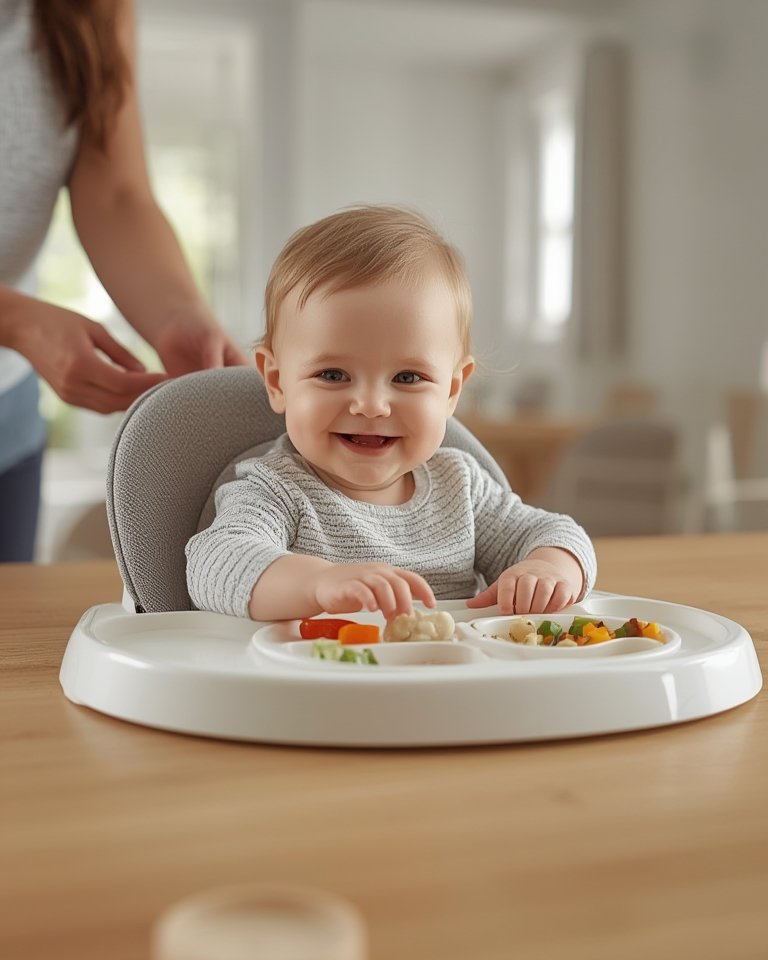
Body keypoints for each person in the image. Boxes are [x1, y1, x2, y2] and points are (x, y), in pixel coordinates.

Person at [186, 205, 597, 622]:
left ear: (452, 389)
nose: (371, 405)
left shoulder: (461, 488)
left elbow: (556, 532)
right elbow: (216, 563)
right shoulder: (277, 490)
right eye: (333, 374)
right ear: (277, 382)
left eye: (407, 377)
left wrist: (547, 568)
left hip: (454, 679)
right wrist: (318, 586)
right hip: (325, 680)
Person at [0, 0, 247, 562]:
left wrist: (179, 313)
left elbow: (116, 196)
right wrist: (16, 320)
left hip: (5, 422)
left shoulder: (93, 8)